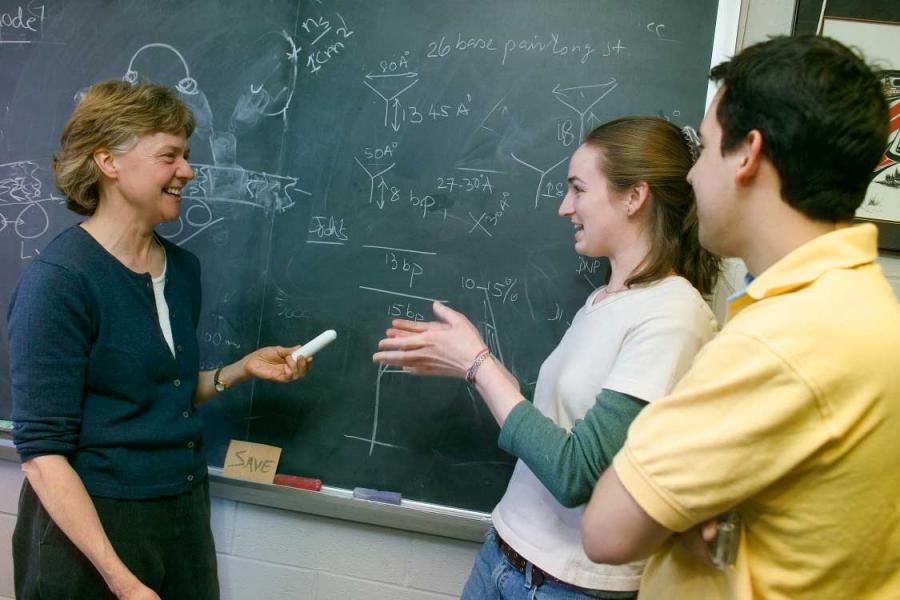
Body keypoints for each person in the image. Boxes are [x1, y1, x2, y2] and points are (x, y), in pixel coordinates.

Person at [580, 36, 900, 599]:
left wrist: (685, 510)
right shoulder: (863, 305)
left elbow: (606, 531)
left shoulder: (782, 340)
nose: (693, 176)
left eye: (703, 150)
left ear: (747, 155)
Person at [373, 116, 721, 599]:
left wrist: (478, 364)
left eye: (578, 189)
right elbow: (557, 420)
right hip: (505, 552)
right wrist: (467, 366)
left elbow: (576, 471)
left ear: (634, 197)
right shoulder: (604, 300)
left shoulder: (674, 315)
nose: (564, 208)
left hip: (568, 586)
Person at [8, 80, 312, 600]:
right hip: (94, 533)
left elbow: (154, 395)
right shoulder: (60, 282)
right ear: (108, 162)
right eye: (169, 156)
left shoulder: (182, 269)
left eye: (186, 156)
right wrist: (123, 582)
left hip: (183, 512)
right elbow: (42, 455)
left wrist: (240, 369)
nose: (188, 172)